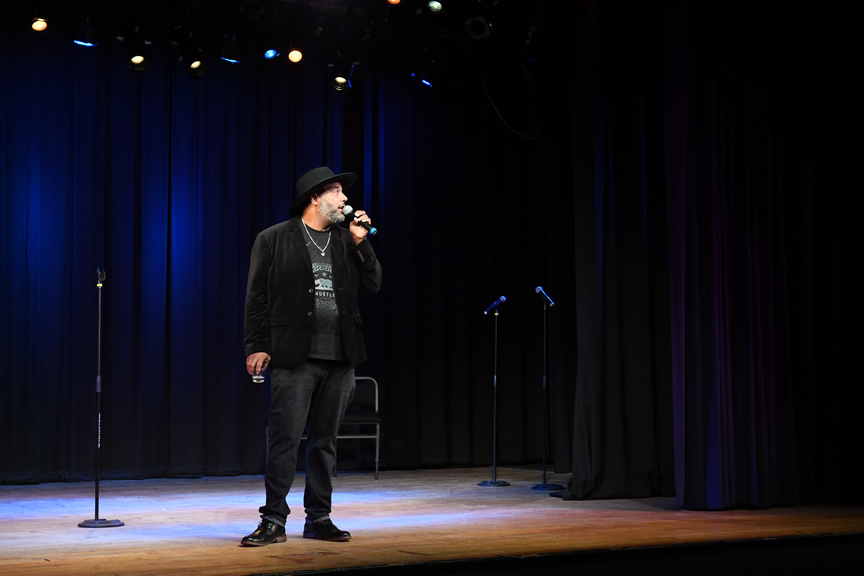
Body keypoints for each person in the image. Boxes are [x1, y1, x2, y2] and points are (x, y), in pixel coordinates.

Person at [241, 166, 382, 545]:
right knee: (285, 439)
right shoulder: (274, 238)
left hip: (340, 356)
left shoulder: (346, 240)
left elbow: (374, 283)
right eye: (336, 191)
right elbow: (256, 298)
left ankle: (319, 518)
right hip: (294, 356)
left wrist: (361, 243)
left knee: (325, 442)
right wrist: (256, 345)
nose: (345, 198)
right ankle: (273, 519)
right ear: (314, 197)